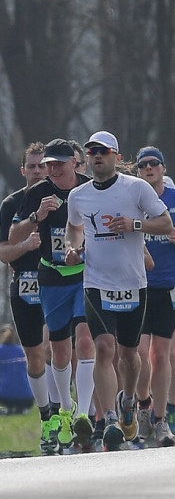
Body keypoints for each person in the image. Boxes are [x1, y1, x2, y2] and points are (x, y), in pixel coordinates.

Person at [64, 131, 173, 451]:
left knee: (130, 355)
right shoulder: (78, 195)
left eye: (103, 151)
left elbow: (166, 224)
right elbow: (73, 226)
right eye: (92, 151)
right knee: (104, 347)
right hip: (96, 283)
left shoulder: (136, 188)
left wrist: (134, 225)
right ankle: (110, 417)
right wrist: (73, 246)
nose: (97, 156)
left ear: (116, 156)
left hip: (133, 284)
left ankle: (128, 401)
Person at [9, 139, 95, 451]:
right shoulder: (37, 192)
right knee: (58, 352)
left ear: (75, 162)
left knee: (85, 341)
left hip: (87, 276)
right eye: (50, 164)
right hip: (52, 277)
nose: (54, 169)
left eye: (60, 163)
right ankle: (64, 409)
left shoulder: (90, 188)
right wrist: (36, 218)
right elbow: (13, 235)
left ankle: (84, 413)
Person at [132, 146, 175, 447]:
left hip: (170, 285)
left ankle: (160, 420)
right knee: (140, 355)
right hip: (139, 284)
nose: (148, 168)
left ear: (163, 168)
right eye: (142, 165)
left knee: (161, 355)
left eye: (153, 163)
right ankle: (143, 406)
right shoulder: (131, 197)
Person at [0, 143, 56, 453]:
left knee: (57, 349)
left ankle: (65, 412)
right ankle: (46, 414)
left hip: (59, 284)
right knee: (35, 356)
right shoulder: (11, 203)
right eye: (32, 167)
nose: (37, 172)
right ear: (24, 171)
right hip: (25, 284)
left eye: (42, 166)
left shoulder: (62, 197)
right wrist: (25, 247)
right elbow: (3, 250)